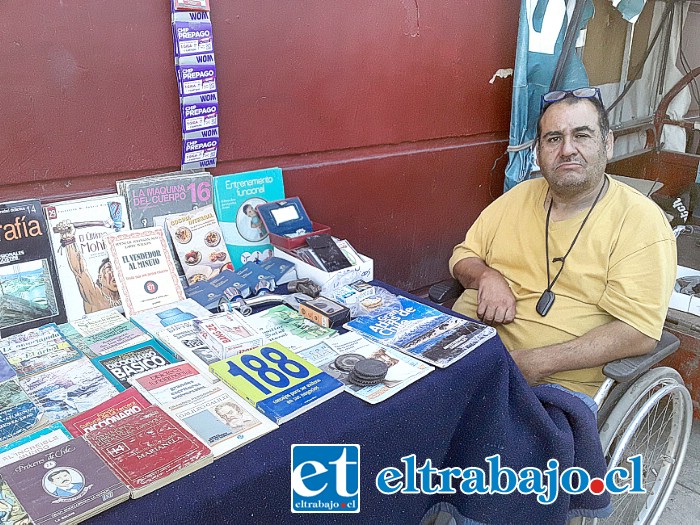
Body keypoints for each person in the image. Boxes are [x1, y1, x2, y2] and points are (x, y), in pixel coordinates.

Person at [449, 87, 676, 398]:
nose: (567, 149)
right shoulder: (517, 198)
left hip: (555, 386)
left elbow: (638, 333)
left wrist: (539, 362)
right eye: (554, 139)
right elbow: (463, 256)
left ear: (607, 144)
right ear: (538, 152)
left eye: (582, 135)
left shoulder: (640, 222)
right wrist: (487, 276)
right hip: (465, 356)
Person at [56, 220, 121, 312]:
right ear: (100, 278)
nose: (113, 273)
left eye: (115, 269)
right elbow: (80, 271)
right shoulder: (94, 296)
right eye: (108, 269)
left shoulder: (126, 296)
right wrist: (69, 240)